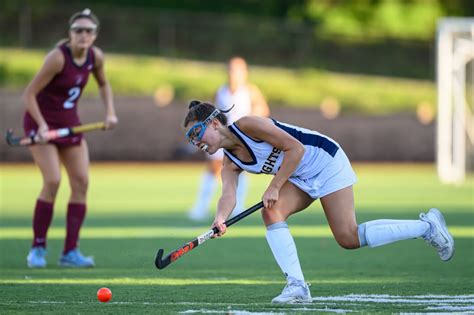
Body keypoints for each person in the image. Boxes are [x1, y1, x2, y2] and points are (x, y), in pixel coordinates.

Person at [183, 101, 455, 304]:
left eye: (196, 132)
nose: (195, 141)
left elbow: (296, 149)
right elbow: (228, 194)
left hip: (325, 161)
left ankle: (428, 227)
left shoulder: (249, 125)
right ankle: (297, 286)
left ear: (215, 122)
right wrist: (220, 218)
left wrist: (275, 185)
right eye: (190, 138)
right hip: (300, 174)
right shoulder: (230, 162)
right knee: (272, 213)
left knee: (348, 236)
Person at [23, 8, 118, 268]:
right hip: (41, 124)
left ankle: (70, 253)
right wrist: (41, 126)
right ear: (70, 33)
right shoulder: (57, 58)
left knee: (81, 182)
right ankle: (38, 249)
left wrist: (110, 112)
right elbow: (29, 94)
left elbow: (103, 84)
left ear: (95, 35)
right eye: (78, 30)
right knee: (52, 180)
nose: (84, 35)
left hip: (70, 126)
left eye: (89, 31)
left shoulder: (95, 57)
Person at [188, 57, 269, 221]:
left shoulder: (250, 91)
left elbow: (263, 110)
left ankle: (238, 207)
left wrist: (251, 122)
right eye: (231, 70)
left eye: (238, 70)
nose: (234, 74)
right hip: (222, 137)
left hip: (242, 138)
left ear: (244, 73)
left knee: (241, 169)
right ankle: (201, 207)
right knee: (213, 168)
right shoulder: (221, 91)